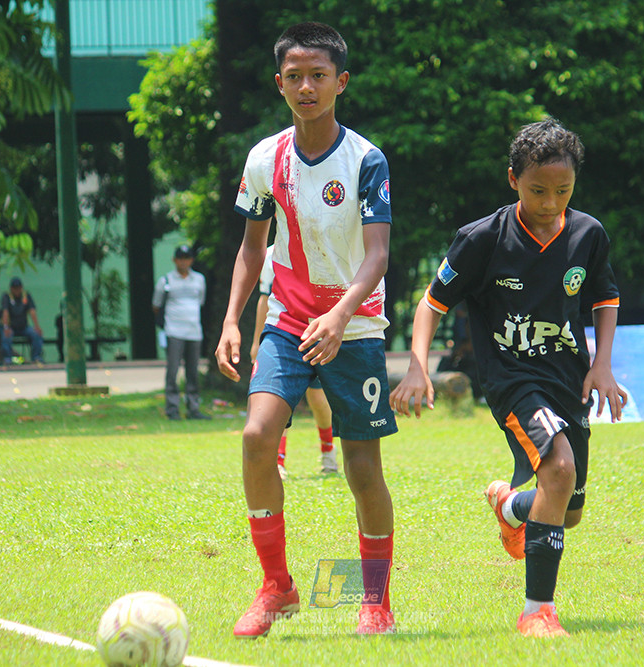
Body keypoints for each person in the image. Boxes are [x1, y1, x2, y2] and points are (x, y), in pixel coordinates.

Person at [390, 118, 627, 638]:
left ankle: (510, 504)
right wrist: (417, 366)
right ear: (513, 179)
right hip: (512, 380)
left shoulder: (588, 234)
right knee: (559, 468)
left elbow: (605, 298)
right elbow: (432, 304)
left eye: (562, 191)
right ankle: (537, 612)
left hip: (568, 382)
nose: (550, 202)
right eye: (538, 190)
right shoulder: (482, 239)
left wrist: (601, 363)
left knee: (566, 510)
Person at [215, 22, 397, 638]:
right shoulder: (265, 159)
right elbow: (250, 248)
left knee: (362, 470)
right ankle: (277, 587)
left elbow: (377, 257)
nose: (306, 86)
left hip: (356, 326)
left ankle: (375, 602)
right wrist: (232, 322)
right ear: (280, 84)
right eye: (294, 76)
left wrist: (341, 314)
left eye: (318, 75)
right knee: (257, 434)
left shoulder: (366, 160)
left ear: (340, 82)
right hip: (289, 322)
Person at [251, 244, 338, 478]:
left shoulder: (324, 245)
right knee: (278, 398)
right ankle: (278, 461)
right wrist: (257, 341)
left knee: (318, 400)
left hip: (318, 333)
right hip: (284, 335)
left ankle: (328, 453)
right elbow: (264, 299)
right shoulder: (270, 254)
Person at [153, 244, 210, 421]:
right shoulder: (166, 281)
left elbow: (201, 302)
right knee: (173, 371)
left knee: (193, 372)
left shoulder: (199, 280)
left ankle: (193, 409)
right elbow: (156, 306)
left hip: (194, 331)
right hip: (174, 331)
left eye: (187, 258)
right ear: (174, 260)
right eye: (180, 258)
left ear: (191, 260)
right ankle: (172, 409)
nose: (183, 262)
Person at [0, 277, 44, 365]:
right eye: (15, 288)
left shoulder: (26, 296)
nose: (17, 290)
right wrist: (6, 327)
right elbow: (5, 312)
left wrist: (37, 326)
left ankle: (36, 357)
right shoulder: (6, 297)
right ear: (11, 289)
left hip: (24, 327)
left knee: (36, 334)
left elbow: (32, 311)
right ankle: (8, 358)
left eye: (19, 288)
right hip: (11, 327)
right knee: (6, 336)